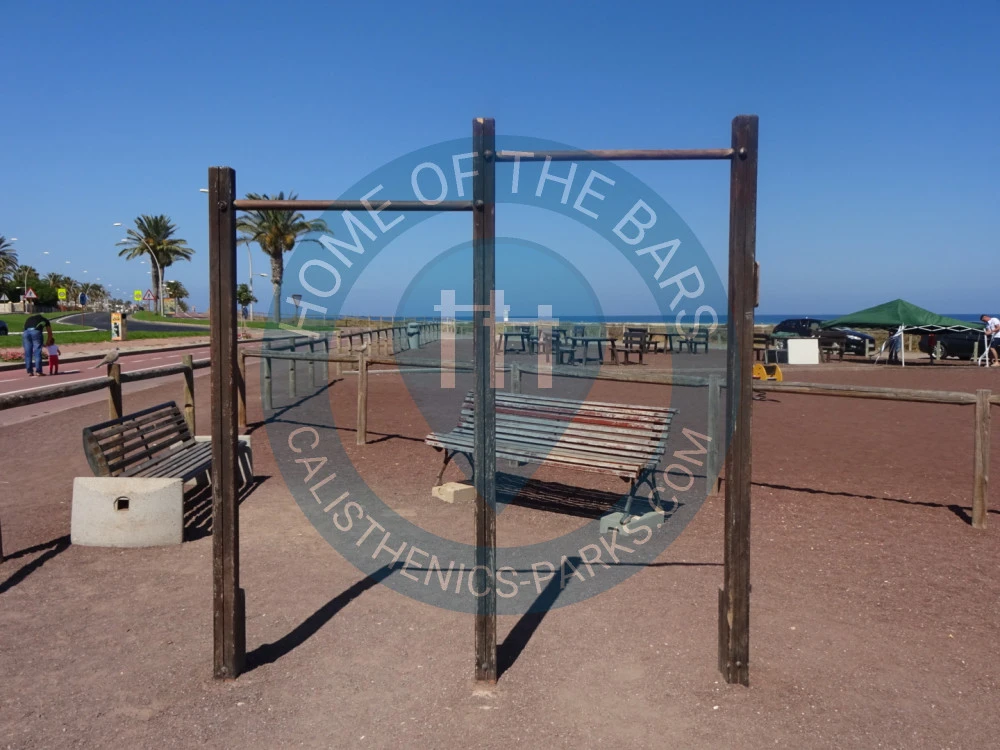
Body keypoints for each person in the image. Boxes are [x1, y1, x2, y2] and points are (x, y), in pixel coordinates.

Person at [21, 313, 52, 377]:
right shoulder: (45, 320)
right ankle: (39, 372)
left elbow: (24, 328)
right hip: (36, 332)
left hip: (26, 333)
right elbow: (49, 332)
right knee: (37, 352)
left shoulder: (29, 318)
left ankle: (30, 372)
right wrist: (47, 342)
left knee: (28, 353)